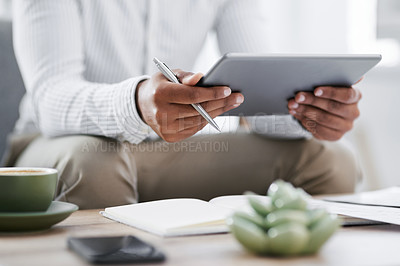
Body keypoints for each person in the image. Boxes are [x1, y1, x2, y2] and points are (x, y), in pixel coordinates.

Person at [6, 0, 362, 209]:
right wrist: (136, 102)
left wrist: (307, 113)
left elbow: (253, 95)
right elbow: (50, 98)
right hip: (54, 146)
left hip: (166, 150)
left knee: (331, 159)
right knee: (95, 162)